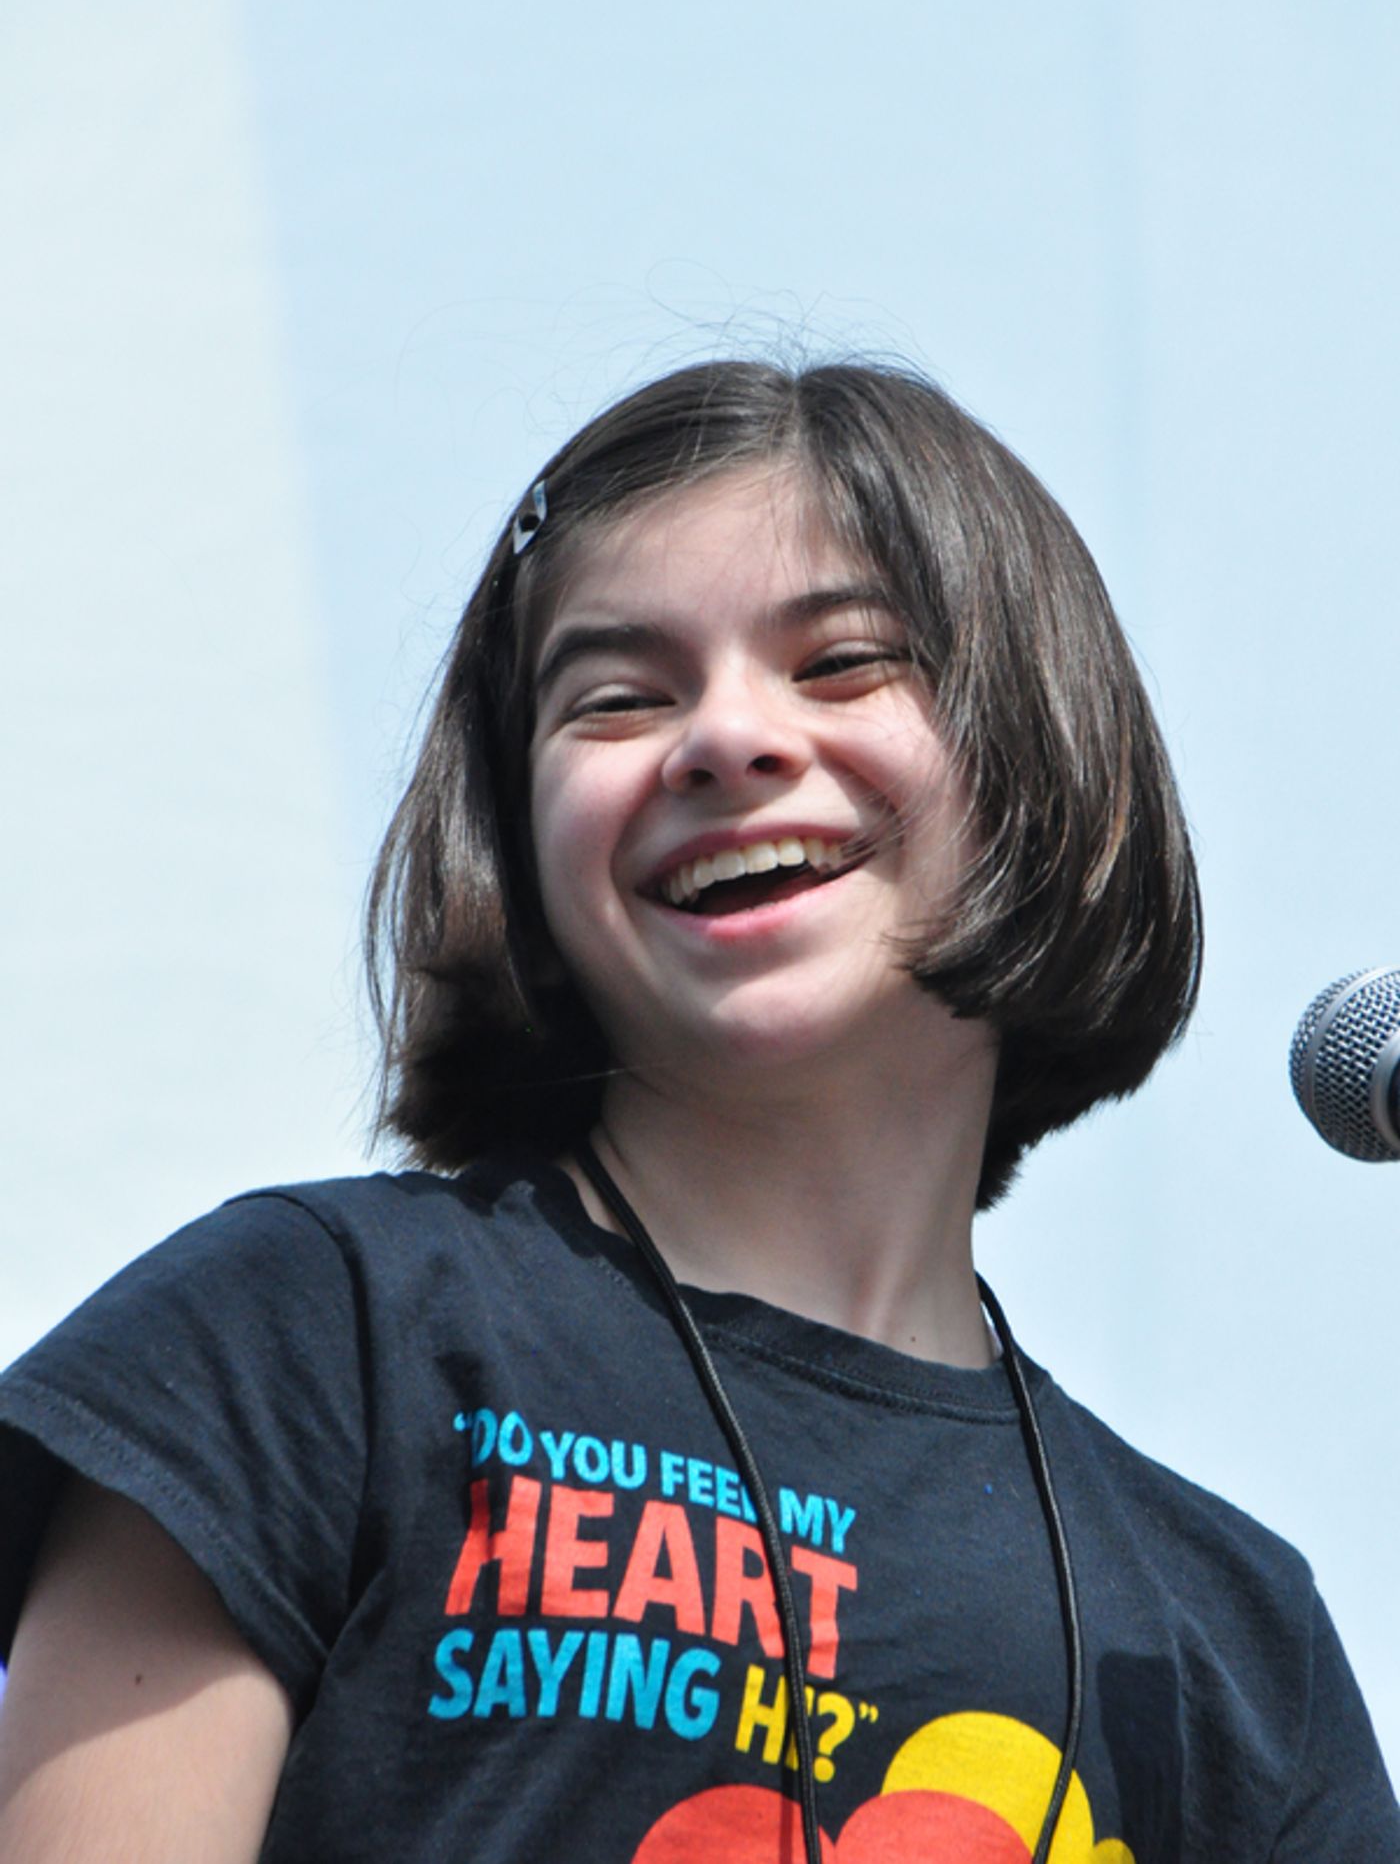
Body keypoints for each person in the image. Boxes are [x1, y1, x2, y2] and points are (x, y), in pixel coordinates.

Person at [0, 359, 1394, 1862]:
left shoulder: (1234, 1644)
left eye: (845, 663)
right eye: (617, 697)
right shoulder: (298, 1340)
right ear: (515, 829)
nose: (726, 739)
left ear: (1039, 758)